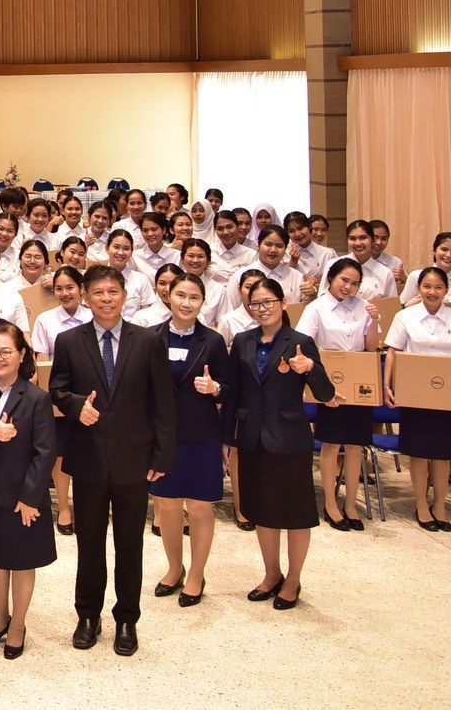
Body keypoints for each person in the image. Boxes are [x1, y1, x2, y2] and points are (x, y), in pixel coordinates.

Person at [48, 263, 175, 656]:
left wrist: (162, 455)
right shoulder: (69, 341)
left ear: (124, 295)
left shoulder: (148, 340)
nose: (106, 299)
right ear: (86, 297)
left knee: (129, 545)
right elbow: (57, 389)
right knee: (89, 544)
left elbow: (163, 402)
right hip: (88, 457)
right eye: (98, 293)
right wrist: (76, 407)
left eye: (112, 292)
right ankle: (88, 615)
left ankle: (126, 619)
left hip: (134, 458)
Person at [225, 278, 334, 609]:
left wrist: (309, 368)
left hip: (289, 439)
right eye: (256, 304)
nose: (263, 309)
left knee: (296, 513)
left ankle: (293, 579)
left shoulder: (300, 342)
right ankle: (272, 574)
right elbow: (234, 391)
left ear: (283, 303)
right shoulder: (242, 341)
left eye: (269, 302)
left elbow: (326, 393)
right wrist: (227, 437)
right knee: (263, 511)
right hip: (252, 438)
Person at [0, 322, 55, 659]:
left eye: (6, 351)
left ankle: (17, 624)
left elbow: (45, 452)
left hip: (23, 497)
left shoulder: (36, 398)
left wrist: (30, 497)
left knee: (21, 562)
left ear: (21, 355)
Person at [382, 265, 451, 531]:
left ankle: (440, 504)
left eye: (438, 287)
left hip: (448, 395)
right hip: (414, 393)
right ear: (419, 288)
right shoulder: (405, 317)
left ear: (446, 290)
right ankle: (421, 504)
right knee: (418, 452)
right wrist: (387, 385)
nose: (432, 292)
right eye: (427, 286)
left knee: (441, 452)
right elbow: (392, 352)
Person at [148, 274, 228, 604]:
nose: (186, 302)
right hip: (163, 436)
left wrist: (216, 388)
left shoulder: (213, 341)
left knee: (199, 507)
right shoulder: (151, 337)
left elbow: (230, 386)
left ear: (203, 302)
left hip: (202, 434)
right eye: (180, 295)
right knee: (167, 506)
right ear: (168, 296)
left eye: (194, 297)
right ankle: (174, 568)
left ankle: (196, 573)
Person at [300, 258, 379, 529]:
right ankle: (330, 503)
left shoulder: (363, 306)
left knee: (356, 445)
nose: (349, 287)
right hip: (330, 381)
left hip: (358, 381)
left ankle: (351, 503)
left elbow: (371, 347)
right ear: (331, 278)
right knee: (332, 443)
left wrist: (375, 321)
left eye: (355, 283)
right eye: (344, 280)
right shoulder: (316, 308)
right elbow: (303, 343)